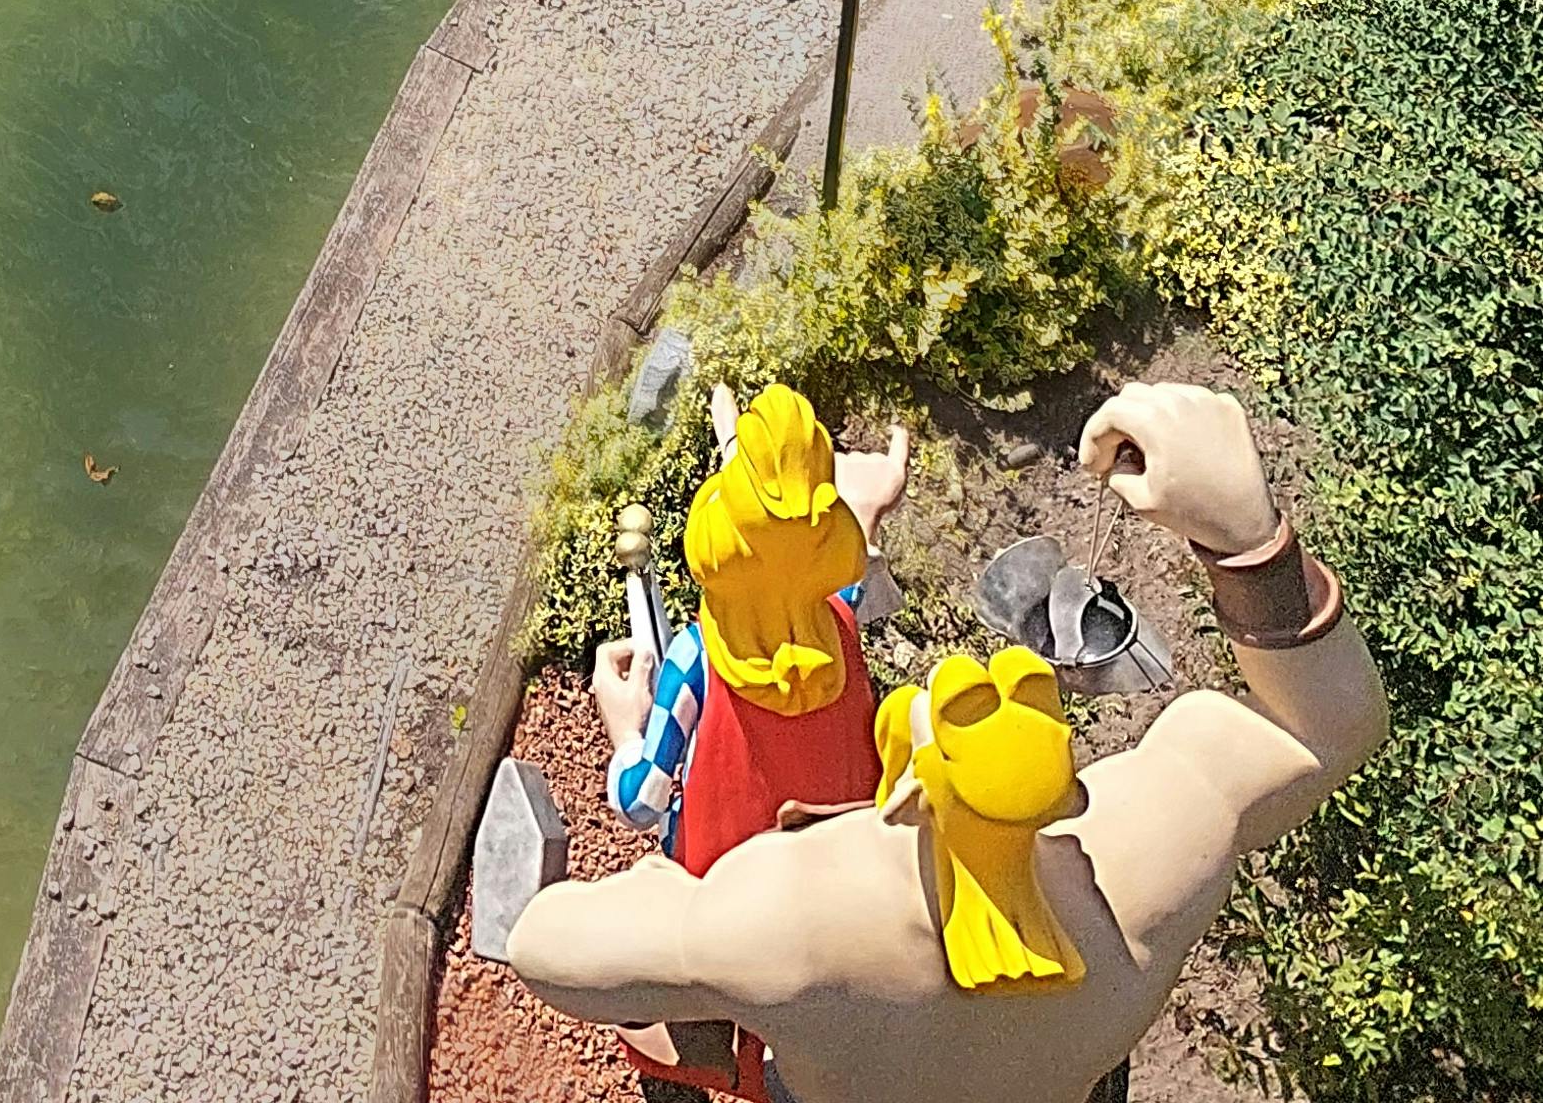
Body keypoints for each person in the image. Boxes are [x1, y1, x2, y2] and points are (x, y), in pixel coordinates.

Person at [499, 379, 1389, 1103]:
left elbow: (545, 950)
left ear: (908, 791)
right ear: (1065, 795)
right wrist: (1246, 538)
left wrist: (659, 872)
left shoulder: (785, 921)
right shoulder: (1132, 877)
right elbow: (1323, 729)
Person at [601, 386, 909, 879]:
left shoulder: (696, 659)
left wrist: (624, 729)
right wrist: (865, 513)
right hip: (839, 872)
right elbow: (827, 568)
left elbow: (639, 803)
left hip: (722, 890)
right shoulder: (840, 621)